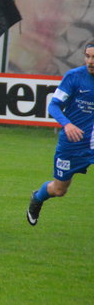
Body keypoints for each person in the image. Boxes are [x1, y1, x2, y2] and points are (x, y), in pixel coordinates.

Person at [27, 41, 94, 226]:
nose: (90, 61)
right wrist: (67, 124)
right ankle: (37, 198)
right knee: (59, 190)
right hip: (73, 142)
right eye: (87, 56)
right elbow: (54, 105)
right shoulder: (74, 77)